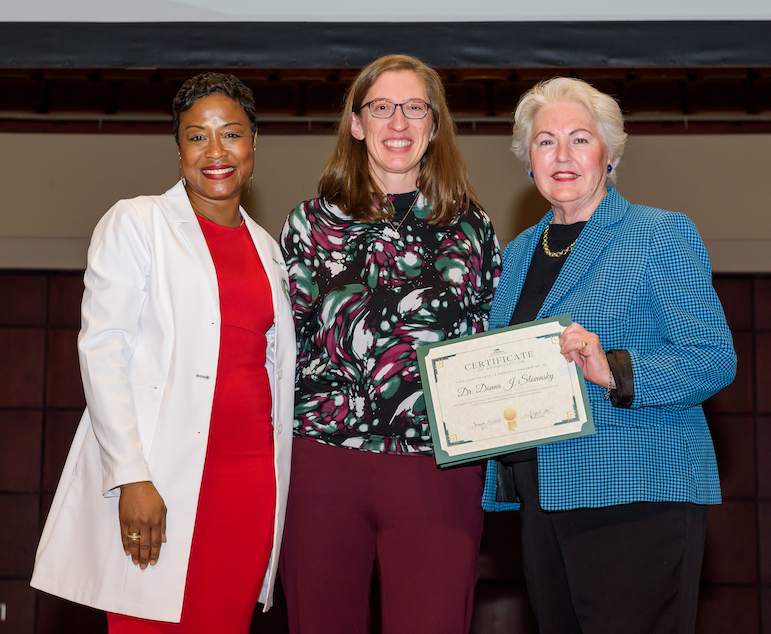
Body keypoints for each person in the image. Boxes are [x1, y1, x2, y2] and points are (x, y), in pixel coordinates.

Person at [30, 72, 295, 632]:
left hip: (250, 481)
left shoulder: (268, 249)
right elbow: (102, 352)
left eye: (231, 134)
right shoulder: (137, 222)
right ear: (178, 149)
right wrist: (131, 475)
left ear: (254, 143)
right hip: (160, 478)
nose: (216, 151)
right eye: (197, 137)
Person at [482, 76, 737, 633]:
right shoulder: (516, 254)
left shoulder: (658, 234)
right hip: (540, 497)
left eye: (580, 139)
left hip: (636, 492)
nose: (562, 155)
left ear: (610, 154)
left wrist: (615, 368)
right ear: (529, 161)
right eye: (546, 141)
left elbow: (713, 357)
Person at [279, 54, 501, 634]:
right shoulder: (308, 224)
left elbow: (492, 346)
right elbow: (282, 349)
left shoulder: (472, 228)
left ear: (434, 125)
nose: (398, 122)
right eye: (382, 107)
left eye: (414, 108)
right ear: (357, 124)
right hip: (323, 459)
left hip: (437, 466)